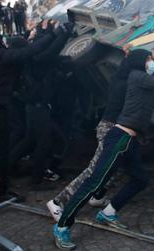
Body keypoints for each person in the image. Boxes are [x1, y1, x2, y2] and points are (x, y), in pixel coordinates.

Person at [52, 49, 154, 249]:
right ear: (139, 62)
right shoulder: (136, 77)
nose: (151, 62)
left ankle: (108, 212)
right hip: (120, 138)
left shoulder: (141, 79)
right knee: (94, 182)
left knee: (140, 179)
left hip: (130, 140)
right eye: (148, 59)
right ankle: (62, 225)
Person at [0, 21, 63, 199]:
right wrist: (51, 35)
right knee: (0, 153)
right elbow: (28, 52)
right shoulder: (0, 55)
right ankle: (1, 192)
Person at [46, 55, 130, 221]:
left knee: (120, 166)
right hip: (111, 128)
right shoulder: (126, 84)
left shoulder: (117, 77)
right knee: (93, 170)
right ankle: (58, 201)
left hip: (112, 126)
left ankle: (97, 196)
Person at [9, 22, 71, 187]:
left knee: (29, 140)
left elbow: (51, 53)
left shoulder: (28, 58)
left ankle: (3, 167)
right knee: (44, 143)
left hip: (33, 105)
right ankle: (36, 180)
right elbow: (51, 52)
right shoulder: (36, 59)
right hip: (37, 106)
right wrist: (62, 34)